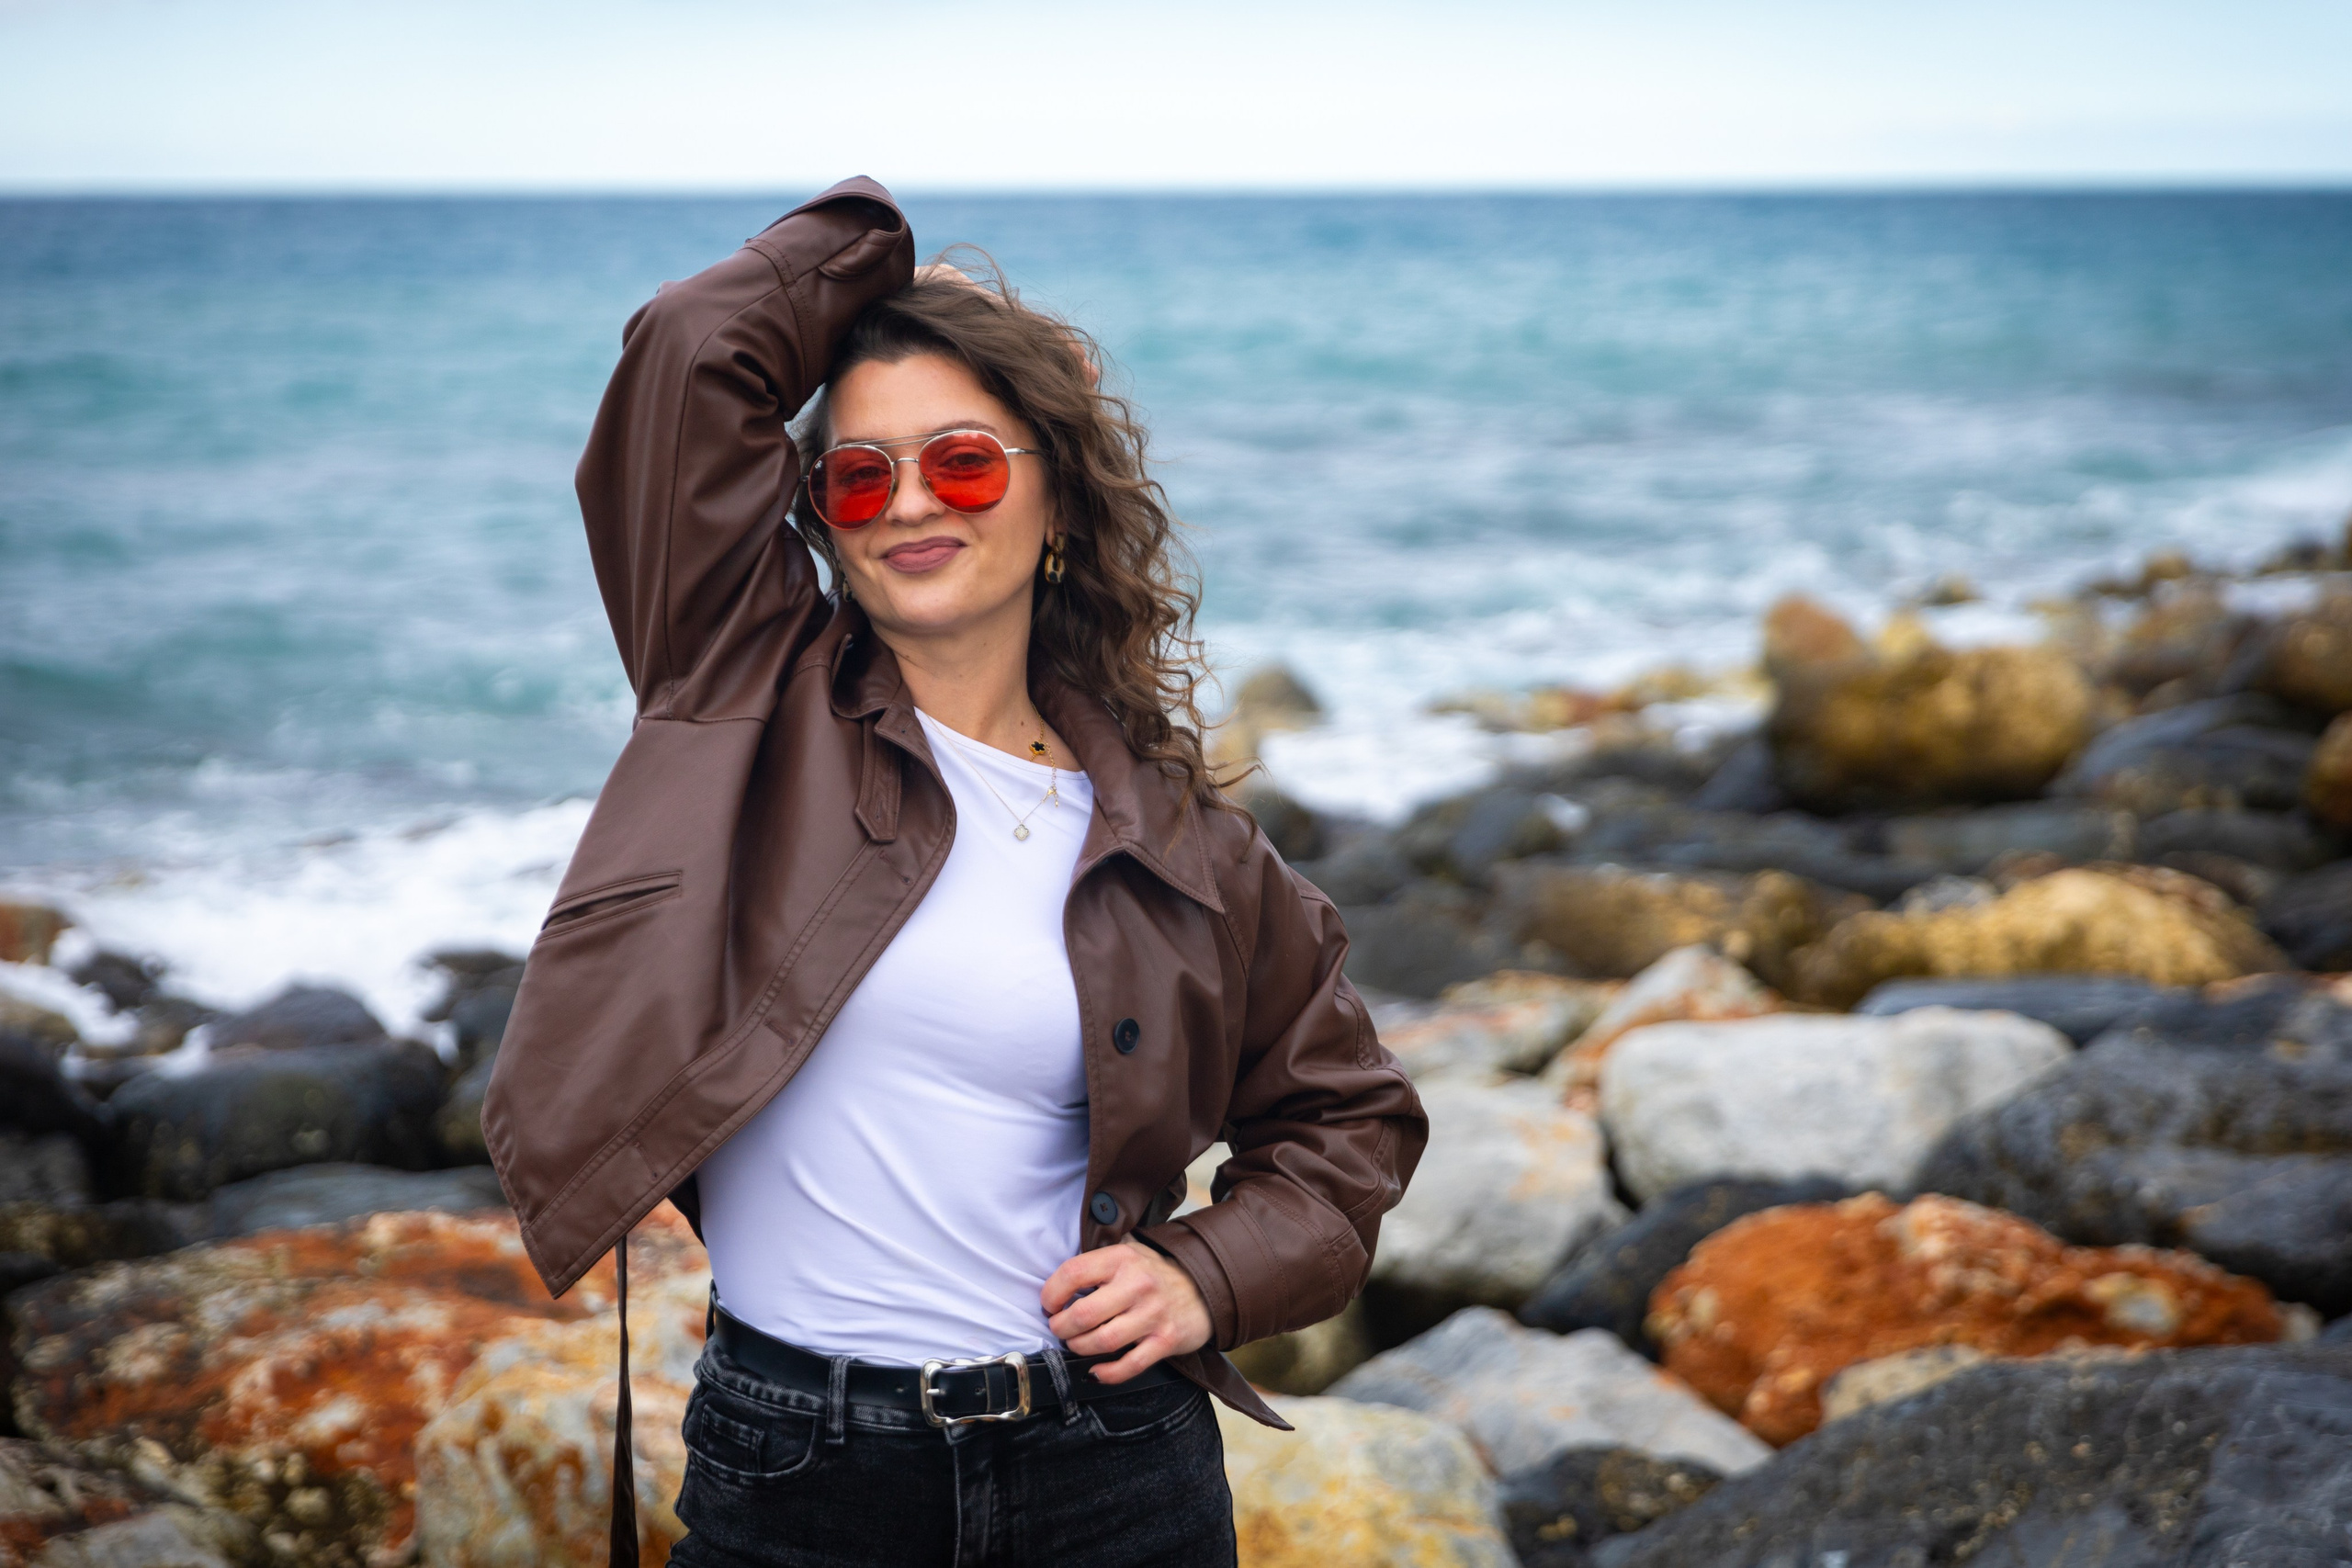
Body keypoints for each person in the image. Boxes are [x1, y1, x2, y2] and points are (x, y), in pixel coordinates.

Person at [483, 176, 1426, 1568]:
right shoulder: (744, 692)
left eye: (965, 461)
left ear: (1056, 499)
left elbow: (1352, 1126)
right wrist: (888, 268)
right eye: (860, 474)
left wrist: (1201, 1275)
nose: (908, 501)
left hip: (1112, 1471)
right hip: (795, 1466)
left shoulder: (1185, 847)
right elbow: (693, 351)